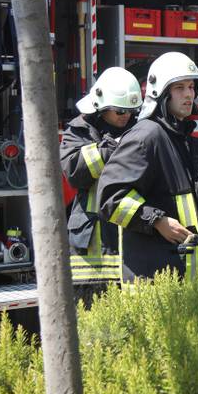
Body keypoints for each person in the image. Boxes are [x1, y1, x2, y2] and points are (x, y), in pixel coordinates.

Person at [97, 52, 198, 282]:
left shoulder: (183, 139)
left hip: (185, 279)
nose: (189, 94)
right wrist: (157, 221)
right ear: (160, 92)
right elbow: (111, 198)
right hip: (155, 282)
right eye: (179, 87)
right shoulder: (146, 136)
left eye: (191, 86)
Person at [60, 66, 141, 287]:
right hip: (92, 246)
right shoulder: (79, 131)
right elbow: (74, 173)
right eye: (120, 111)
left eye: (131, 111)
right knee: (90, 312)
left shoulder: (139, 130)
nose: (127, 116)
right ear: (101, 106)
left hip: (132, 236)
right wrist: (109, 149)